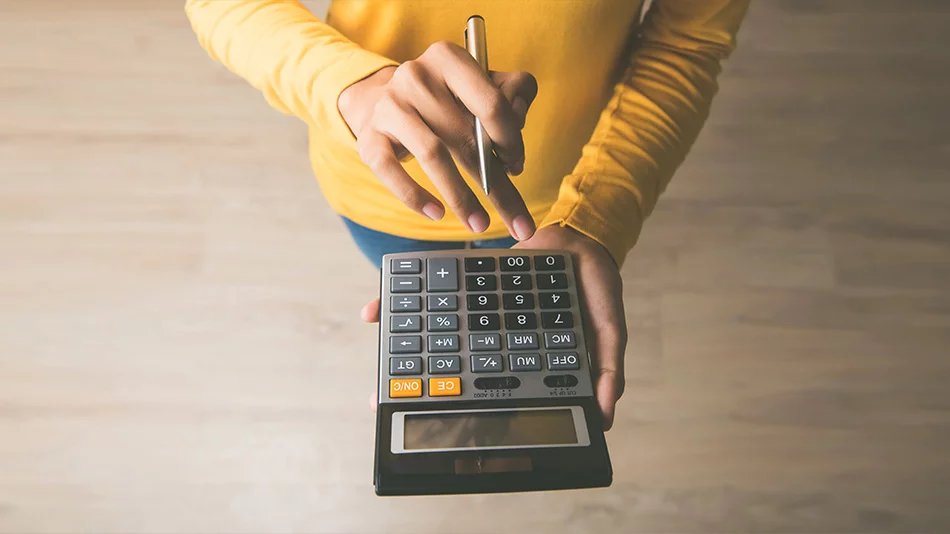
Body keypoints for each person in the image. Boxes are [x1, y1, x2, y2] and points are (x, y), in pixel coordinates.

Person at [185, 0, 750, 430]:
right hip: (390, 191)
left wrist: (599, 211)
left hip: (565, 198)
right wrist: (352, 86)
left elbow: (687, 45)